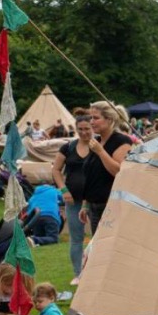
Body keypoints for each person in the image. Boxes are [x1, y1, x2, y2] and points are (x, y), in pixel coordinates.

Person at [52, 115, 95, 285]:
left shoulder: (98, 146)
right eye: (81, 129)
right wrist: (64, 190)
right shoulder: (68, 147)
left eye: (87, 129)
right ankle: (79, 273)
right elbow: (56, 170)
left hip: (95, 198)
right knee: (76, 238)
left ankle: (97, 271)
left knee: (99, 236)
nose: (84, 132)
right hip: (73, 199)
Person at [82, 102, 132, 234]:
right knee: (96, 252)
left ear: (109, 119)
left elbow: (118, 171)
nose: (91, 122)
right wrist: (85, 204)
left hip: (111, 205)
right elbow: (91, 175)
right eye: (90, 118)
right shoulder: (96, 141)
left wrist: (101, 152)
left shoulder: (121, 141)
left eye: (96, 118)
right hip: (94, 205)